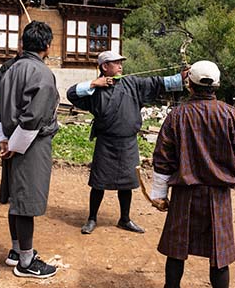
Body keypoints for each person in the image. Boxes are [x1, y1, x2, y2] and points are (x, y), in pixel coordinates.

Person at [149, 60, 235, 288]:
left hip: (185, 192)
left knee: (177, 249)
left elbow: (162, 158)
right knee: (219, 255)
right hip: (218, 195)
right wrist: (223, 159)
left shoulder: (177, 115)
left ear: (190, 84)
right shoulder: (230, 115)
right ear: (217, 85)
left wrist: (159, 194)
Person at [67, 51, 186, 235]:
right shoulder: (94, 89)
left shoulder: (132, 83)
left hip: (128, 143)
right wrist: (93, 83)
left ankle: (125, 219)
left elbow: (156, 83)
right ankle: (91, 218)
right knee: (98, 183)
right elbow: (71, 94)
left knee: (127, 184)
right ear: (105, 67)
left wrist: (181, 77)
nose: (121, 66)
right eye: (116, 63)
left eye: (121, 62)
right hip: (106, 143)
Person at [0, 21, 60, 278]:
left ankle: (17, 250)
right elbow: (33, 117)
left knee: (16, 198)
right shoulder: (41, 73)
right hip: (30, 144)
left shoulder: (11, 69)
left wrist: (3, 141)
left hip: (11, 139)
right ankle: (27, 262)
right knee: (27, 201)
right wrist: (16, 145)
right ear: (47, 46)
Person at [0, 50, 21, 266]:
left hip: (19, 130)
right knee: (11, 173)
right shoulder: (8, 67)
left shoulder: (36, 69)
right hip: (12, 127)